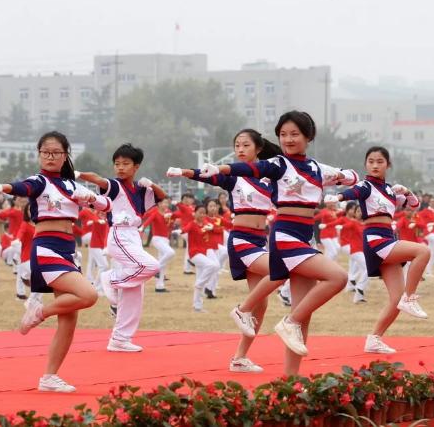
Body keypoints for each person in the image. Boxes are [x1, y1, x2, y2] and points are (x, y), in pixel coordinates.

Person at [196, 110, 358, 375]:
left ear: (309, 136)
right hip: (286, 236)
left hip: (307, 236)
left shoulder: (317, 168)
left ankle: (291, 381)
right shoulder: (278, 164)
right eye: (283, 135)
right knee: (338, 277)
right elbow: (251, 167)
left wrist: (346, 177)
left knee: (304, 314)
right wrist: (221, 168)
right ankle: (287, 321)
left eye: (294, 134)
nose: (288, 139)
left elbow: (350, 177)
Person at [0, 130, 110, 392]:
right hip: (47, 248)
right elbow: (22, 187)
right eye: (45, 152)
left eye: (56, 152)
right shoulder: (39, 181)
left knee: (69, 317)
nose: (50, 157)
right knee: (88, 295)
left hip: (68, 250)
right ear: (39, 154)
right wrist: (3, 187)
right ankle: (38, 311)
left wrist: (93, 198)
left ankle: (49, 377)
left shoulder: (73, 186)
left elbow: (106, 206)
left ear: (65, 156)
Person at [167, 128, 280, 372]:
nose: (240, 149)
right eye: (237, 145)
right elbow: (209, 175)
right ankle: (241, 310)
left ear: (258, 149)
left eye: (245, 145)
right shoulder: (233, 176)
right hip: (241, 240)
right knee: (279, 270)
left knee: (263, 305)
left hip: (260, 240)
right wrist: (184, 172)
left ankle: (239, 357)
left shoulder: (270, 175)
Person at [333, 146, 429, 354]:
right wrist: (339, 198)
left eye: (380, 161)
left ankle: (374, 339)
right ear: (366, 164)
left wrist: (407, 192)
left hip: (387, 237)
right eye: (371, 161)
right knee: (423, 252)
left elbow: (414, 205)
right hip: (376, 239)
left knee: (396, 299)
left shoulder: (389, 190)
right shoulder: (367, 185)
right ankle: (410, 298)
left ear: (388, 164)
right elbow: (354, 191)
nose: (375, 165)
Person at [77, 143, 164, 353]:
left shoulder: (141, 190)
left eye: (126, 164)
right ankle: (110, 279)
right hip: (119, 234)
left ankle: (120, 338)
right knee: (151, 265)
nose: (120, 167)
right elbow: (97, 178)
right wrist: (76, 173)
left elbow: (161, 197)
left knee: (135, 291)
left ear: (136, 167)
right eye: (117, 164)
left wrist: (151, 183)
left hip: (133, 235)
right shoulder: (114, 185)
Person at [140, 198, 175, 292]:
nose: (166, 204)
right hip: (157, 239)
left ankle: (160, 286)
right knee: (171, 253)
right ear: (159, 204)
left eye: (167, 203)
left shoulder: (168, 212)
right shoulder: (155, 211)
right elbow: (148, 219)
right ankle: (156, 269)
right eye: (164, 203)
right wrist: (142, 227)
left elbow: (170, 225)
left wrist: (171, 222)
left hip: (165, 239)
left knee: (163, 263)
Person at [416, 196, 434, 276]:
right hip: (427, 233)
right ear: (429, 203)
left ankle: (428, 272)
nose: (433, 203)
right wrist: (421, 227)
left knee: (431, 254)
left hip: (433, 234)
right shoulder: (426, 211)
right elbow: (417, 215)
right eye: (431, 201)